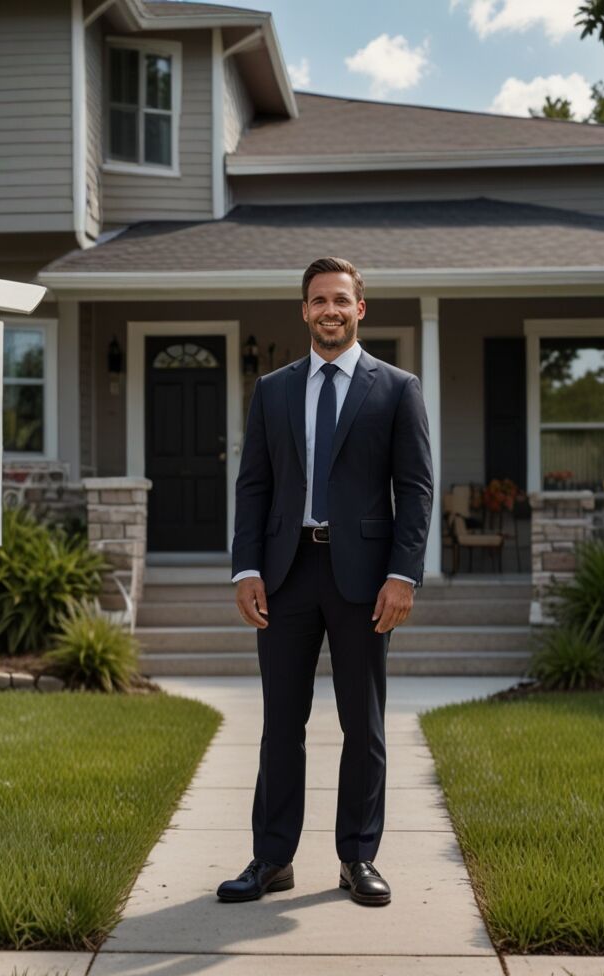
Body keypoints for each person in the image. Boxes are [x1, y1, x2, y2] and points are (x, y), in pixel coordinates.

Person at [217, 256, 434, 907]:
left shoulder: (397, 388)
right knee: (281, 721)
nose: (330, 310)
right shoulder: (273, 390)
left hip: (364, 578)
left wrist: (402, 574)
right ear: (304, 310)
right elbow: (253, 485)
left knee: (361, 722)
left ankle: (358, 856)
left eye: (341, 299)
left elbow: (416, 489)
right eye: (318, 300)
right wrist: (246, 567)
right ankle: (272, 859)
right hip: (285, 575)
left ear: (360, 309)